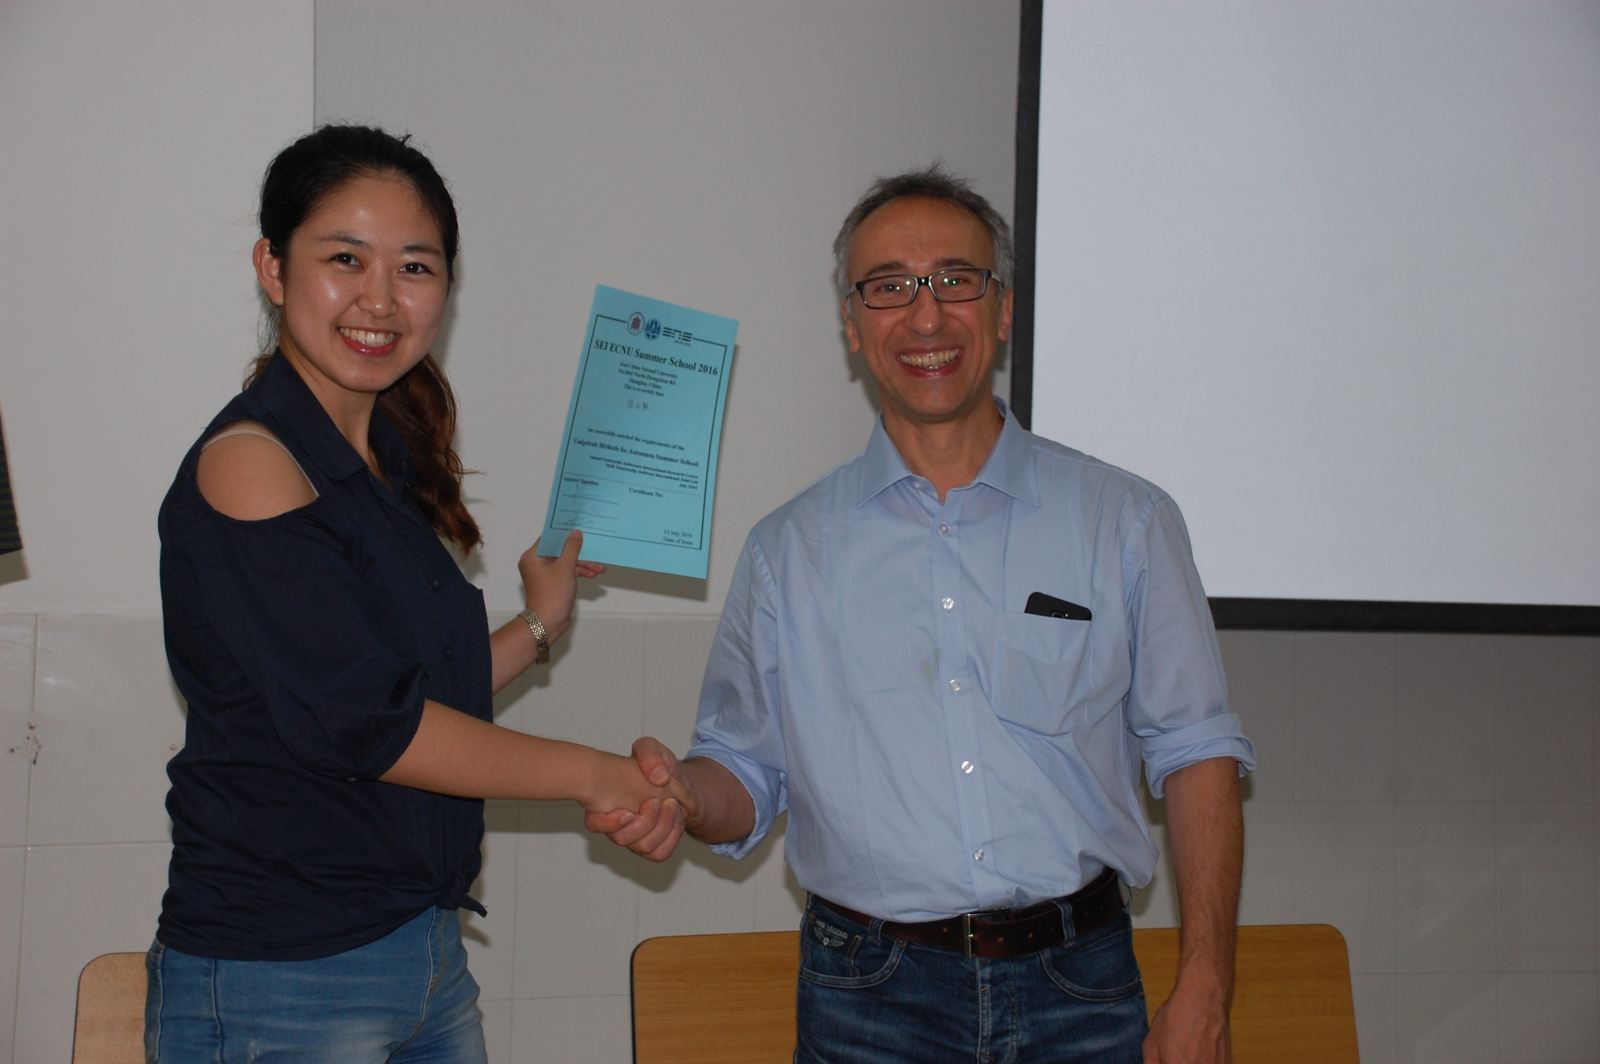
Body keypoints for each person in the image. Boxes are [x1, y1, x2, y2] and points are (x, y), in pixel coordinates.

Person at [590, 166, 1256, 1063]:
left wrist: (1208, 985)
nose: (927, 316)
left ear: (1003, 309)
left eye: (955, 280)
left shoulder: (1125, 520)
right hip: (870, 999)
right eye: (890, 287)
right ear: (853, 325)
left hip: (1081, 989)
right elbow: (745, 769)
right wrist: (683, 797)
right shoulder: (789, 549)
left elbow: (1197, 751)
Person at [148, 124, 666, 1062]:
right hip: (283, 978)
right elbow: (369, 726)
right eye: (345, 258)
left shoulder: (383, 455)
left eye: (415, 267)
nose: (381, 299)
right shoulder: (253, 463)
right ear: (273, 268)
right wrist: (600, 776)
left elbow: (408, 690)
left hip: (419, 951)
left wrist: (540, 623)